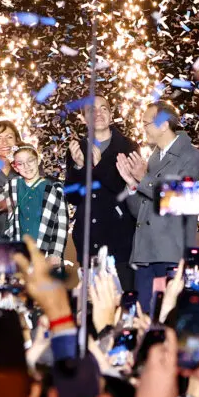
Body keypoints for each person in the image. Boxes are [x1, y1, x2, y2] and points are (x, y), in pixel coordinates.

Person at [116, 99, 199, 309]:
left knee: (169, 317)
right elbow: (140, 211)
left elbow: (181, 199)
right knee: (144, 317)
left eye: (146, 123)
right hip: (146, 254)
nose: (143, 128)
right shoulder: (154, 159)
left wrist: (143, 179)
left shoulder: (190, 156)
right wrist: (131, 185)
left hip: (171, 253)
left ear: (164, 124)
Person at [63, 96, 137, 293]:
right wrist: (79, 166)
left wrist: (98, 164)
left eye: (104, 108)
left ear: (111, 115)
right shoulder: (77, 148)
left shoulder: (128, 146)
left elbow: (122, 188)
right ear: (84, 118)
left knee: (124, 307)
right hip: (88, 240)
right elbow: (72, 196)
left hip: (120, 241)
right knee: (92, 305)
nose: (98, 113)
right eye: (91, 110)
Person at [0, 145, 68, 263]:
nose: (26, 166)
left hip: (45, 252)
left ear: (38, 160)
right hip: (20, 253)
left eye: (30, 161)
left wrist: (56, 253)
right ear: (15, 167)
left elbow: (61, 223)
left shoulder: (54, 188)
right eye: (20, 163)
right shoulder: (13, 185)